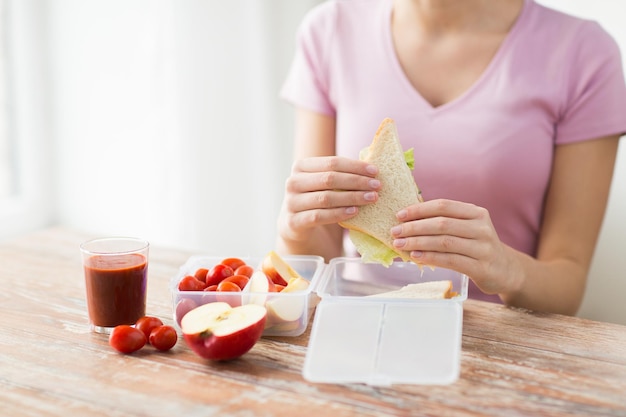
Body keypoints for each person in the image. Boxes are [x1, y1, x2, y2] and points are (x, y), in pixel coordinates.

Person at [276, 0, 626, 315]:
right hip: (361, 321)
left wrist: (507, 269)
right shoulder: (329, 30)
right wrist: (293, 229)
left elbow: (567, 286)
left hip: (504, 344)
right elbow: (316, 258)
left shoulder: (584, 52)